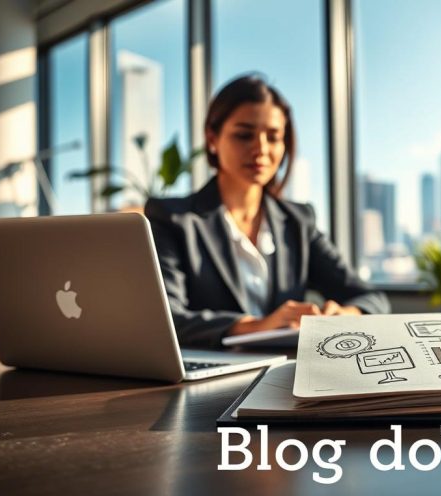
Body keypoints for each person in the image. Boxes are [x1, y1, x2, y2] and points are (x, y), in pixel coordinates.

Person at [145, 74, 389, 347]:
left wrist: (346, 315)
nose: (261, 149)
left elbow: (372, 298)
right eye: (244, 135)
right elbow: (168, 319)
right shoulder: (172, 218)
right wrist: (258, 327)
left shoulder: (298, 222)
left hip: (287, 369)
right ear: (212, 139)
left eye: (273, 137)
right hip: (211, 369)